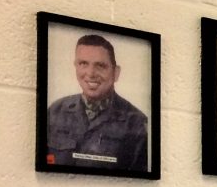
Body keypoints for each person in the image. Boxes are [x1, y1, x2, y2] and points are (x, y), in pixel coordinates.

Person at [46, 33, 149, 172]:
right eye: (83, 64)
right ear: (75, 67)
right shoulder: (55, 111)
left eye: (100, 65)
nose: (91, 73)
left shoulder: (137, 124)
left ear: (116, 73)